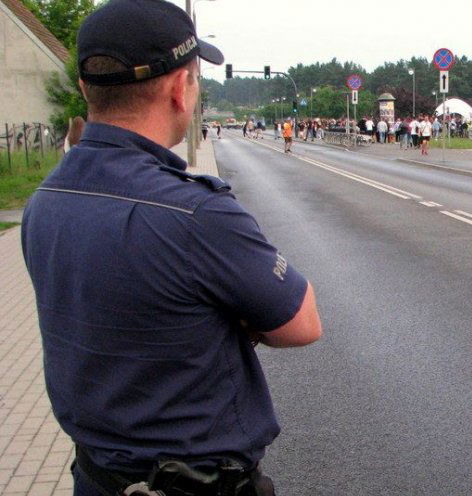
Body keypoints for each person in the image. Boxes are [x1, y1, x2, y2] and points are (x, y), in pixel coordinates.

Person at [20, 1, 322, 495]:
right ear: (181, 89)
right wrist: (228, 319)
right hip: (194, 483)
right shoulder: (196, 214)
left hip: (95, 477)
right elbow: (302, 323)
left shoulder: (45, 199)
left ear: (84, 87)